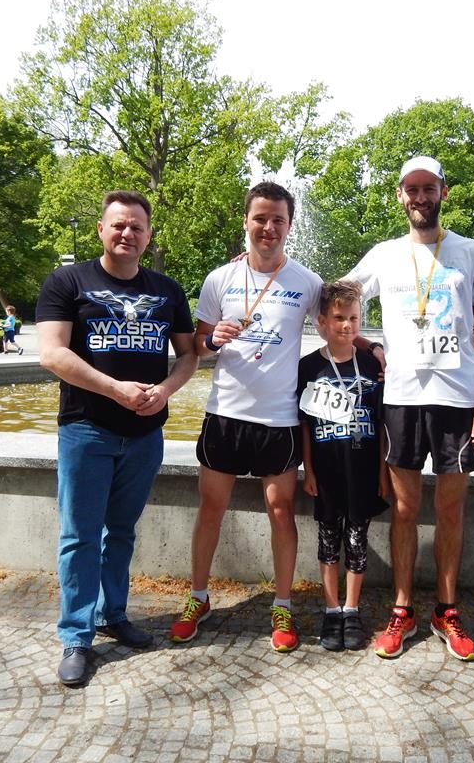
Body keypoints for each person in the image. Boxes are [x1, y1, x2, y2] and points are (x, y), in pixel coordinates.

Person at [36, 190, 198, 686]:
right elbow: (52, 354)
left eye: (137, 227)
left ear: (148, 236)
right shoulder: (68, 281)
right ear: (101, 230)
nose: (127, 233)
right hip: (87, 429)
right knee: (80, 536)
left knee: (121, 532)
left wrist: (165, 390)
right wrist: (115, 389)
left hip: (145, 434)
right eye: (119, 225)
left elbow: (189, 355)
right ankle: (76, 636)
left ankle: (114, 613)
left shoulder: (167, 289)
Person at [344, 155, 474, 662]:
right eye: (411, 188)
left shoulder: (471, 252)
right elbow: (334, 298)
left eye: (428, 188)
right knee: (405, 510)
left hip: (458, 399)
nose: (420, 197)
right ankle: (403, 608)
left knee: (450, 510)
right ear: (400, 195)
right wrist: (266, 264)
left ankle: (447, 610)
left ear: (443, 192)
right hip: (403, 399)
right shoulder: (384, 254)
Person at [170, 181, 322, 653]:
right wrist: (213, 338)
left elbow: (339, 321)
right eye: (260, 218)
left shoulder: (307, 282)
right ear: (246, 221)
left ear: (290, 226)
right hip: (226, 414)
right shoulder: (220, 278)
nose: (269, 227)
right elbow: (198, 346)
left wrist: (368, 347)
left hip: (278, 419)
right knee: (211, 508)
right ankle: (198, 597)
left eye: (278, 219)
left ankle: (282, 604)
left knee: (281, 511)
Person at [298, 280, 389, 652]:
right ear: (322, 321)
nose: (347, 325)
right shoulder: (308, 366)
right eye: (338, 318)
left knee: (357, 539)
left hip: (363, 468)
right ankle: (331, 608)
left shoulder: (371, 364)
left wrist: (382, 472)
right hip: (326, 468)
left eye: (353, 317)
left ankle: (352, 608)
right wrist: (309, 470)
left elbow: (381, 422)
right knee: (328, 539)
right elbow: (304, 424)